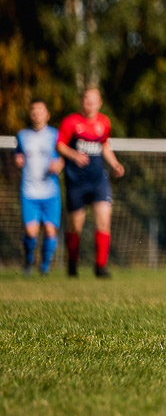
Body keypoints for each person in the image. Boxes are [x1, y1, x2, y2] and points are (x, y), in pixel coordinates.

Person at [56, 88, 124, 278]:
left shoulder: (104, 122)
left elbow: (104, 146)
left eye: (94, 100)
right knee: (75, 226)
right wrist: (74, 155)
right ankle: (72, 264)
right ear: (82, 102)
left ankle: (100, 267)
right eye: (87, 100)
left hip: (98, 181)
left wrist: (115, 164)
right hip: (76, 182)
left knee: (104, 221)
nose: (90, 104)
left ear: (100, 103)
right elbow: (60, 145)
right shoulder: (71, 122)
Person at [15, 99, 64, 276]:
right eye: (33, 110)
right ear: (30, 114)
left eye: (40, 110)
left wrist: (59, 165)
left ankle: (44, 266)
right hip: (29, 191)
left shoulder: (55, 135)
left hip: (50, 191)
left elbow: (62, 157)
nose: (36, 114)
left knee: (50, 231)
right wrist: (18, 160)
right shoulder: (22, 135)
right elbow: (18, 154)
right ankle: (28, 260)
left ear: (47, 114)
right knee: (31, 231)